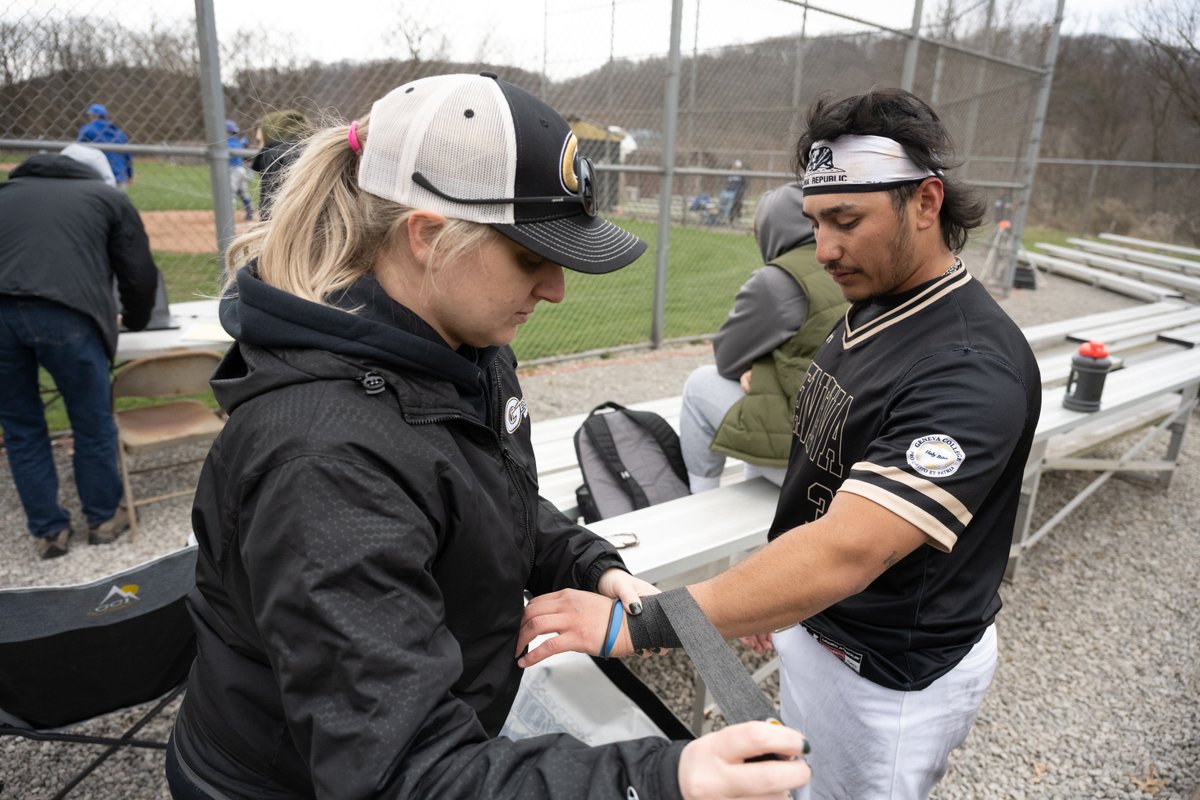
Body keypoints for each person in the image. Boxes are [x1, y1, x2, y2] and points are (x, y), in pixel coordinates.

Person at [165, 72, 810, 800]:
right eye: (532, 257)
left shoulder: (455, 341)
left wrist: (589, 562)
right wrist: (666, 779)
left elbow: (488, 492)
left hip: (452, 711)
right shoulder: (325, 459)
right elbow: (404, 776)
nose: (556, 288)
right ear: (427, 237)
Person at [518, 87, 1042, 799]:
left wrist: (631, 623)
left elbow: (845, 551)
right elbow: (821, 486)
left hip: (884, 674)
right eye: (816, 221)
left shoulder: (969, 365)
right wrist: (778, 598)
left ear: (926, 203)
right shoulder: (875, 304)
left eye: (847, 220)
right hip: (826, 630)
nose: (824, 248)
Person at [0, 145, 160, 559]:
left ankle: (49, 532)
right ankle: (102, 519)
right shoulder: (107, 197)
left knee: (21, 427)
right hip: (67, 313)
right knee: (90, 421)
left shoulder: (5, 193)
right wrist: (138, 321)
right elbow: (139, 274)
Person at [680, 182, 847, 493]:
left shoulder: (778, 279)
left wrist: (763, 371)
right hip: (855, 446)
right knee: (763, 409)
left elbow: (728, 361)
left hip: (812, 465)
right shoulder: (851, 261)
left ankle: (699, 501)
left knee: (699, 384)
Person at [249, 108, 314, 219]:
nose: (260, 147)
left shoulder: (275, 155)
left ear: (273, 135)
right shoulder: (317, 151)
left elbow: (270, 214)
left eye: (260, 141)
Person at [76, 103, 133, 190]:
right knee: (117, 202)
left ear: (94, 116)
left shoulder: (88, 130)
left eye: (90, 115)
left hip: (96, 175)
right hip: (118, 175)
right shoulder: (119, 133)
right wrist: (129, 175)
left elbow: (78, 151)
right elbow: (127, 157)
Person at [225, 119, 255, 222]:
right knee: (243, 192)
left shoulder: (228, 142)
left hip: (235, 170)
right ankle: (249, 212)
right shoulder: (237, 141)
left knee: (230, 192)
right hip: (241, 170)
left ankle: (228, 216)